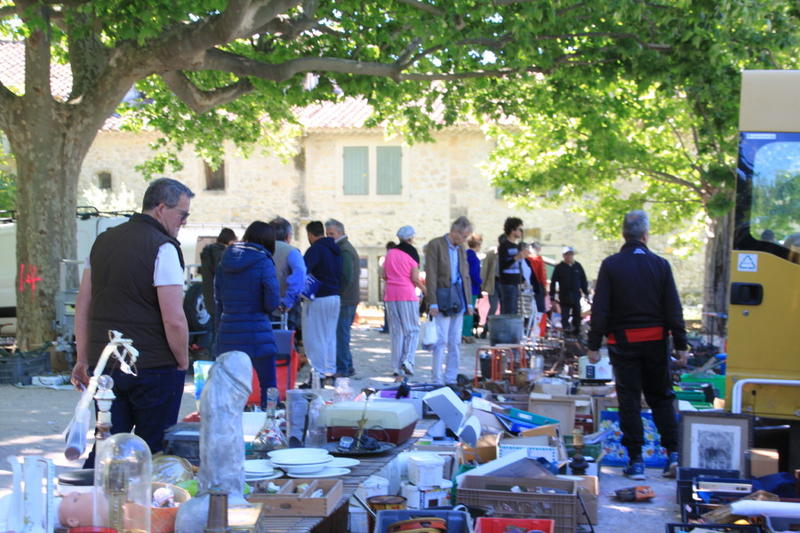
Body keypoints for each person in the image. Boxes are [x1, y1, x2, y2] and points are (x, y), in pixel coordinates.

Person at [71, 177, 194, 466]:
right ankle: (138, 510)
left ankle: (91, 505)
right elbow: (174, 317)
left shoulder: (103, 241)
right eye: (183, 214)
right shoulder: (163, 247)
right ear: (161, 208)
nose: (184, 222)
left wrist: (82, 358)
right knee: (153, 453)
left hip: (107, 364)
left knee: (107, 448)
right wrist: (182, 359)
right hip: (153, 366)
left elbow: (83, 305)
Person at [587, 210, 689, 480]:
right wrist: (681, 343)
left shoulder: (611, 265)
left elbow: (601, 309)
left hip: (624, 343)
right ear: (645, 236)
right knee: (662, 397)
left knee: (629, 399)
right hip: (656, 342)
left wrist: (593, 344)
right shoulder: (660, 265)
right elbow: (673, 308)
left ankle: (635, 461)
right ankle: (674, 455)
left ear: (623, 235)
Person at [214, 221, 281, 408]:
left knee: (228, 387)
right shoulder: (264, 262)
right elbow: (272, 302)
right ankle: (269, 426)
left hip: (228, 333)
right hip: (258, 333)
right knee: (268, 386)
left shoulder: (224, 260)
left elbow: (218, 299)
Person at [424, 216, 474, 384]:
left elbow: (465, 275)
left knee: (455, 341)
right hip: (442, 295)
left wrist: (469, 302)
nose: (465, 240)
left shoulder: (461, 249)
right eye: (464, 236)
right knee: (441, 340)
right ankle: (437, 378)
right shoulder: (435, 245)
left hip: (458, 296)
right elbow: (431, 274)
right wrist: (432, 302)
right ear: (454, 232)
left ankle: (451, 377)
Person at [302, 220, 342, 385]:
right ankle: (330, 372)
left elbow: (303, 270)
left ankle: (317, 375)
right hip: (335, 296)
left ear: (311, 235)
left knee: (315, 337)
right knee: (330, 336)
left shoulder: (315, 250)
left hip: (319, 297)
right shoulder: (336, 249)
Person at [383, 225, 426, 377]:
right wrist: (425, 289)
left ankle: (396, 367)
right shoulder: (413, 253)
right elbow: (414, 278)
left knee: (396, 332)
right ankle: (408, 360)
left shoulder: (390, 253)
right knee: (412, 329)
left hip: (391, 294)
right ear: (411, 238)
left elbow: (384, 275)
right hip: (406, 294)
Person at [325, 219, 360, 378]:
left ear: (340, 233)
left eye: (331, 234)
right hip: (347, 298)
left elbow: (346, 276)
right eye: (327, 234)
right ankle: (348, 366)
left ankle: (343, 369)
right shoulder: (343, 247)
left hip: (345, 300)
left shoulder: (344, 249)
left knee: (341, 335)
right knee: (342, 334)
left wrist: (337, 294)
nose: (329, 237)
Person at [200, 227, 237, 354]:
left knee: (213, 330)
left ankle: (210, 357)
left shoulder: (207, 252)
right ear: (230, 240)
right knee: (220, 334)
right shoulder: (222, 254)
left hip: (208, 295)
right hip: (220, 298)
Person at [269, 216, 306, 331]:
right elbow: (300, 275)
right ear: (288, 235)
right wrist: (288, 302)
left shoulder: (260, 249)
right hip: (284, 307)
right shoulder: (291, 252)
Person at [550, 246, 589, 335]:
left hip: (576, 295)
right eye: (567, 254)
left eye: (571, 254)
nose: (569, 256)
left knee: (577, 314)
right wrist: (552, 295)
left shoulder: (578, 266)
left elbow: (583, 280)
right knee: (565, 315)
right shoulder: (559, 267)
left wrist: (585, 292)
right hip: (564, 295)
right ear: (563, 256)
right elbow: (553, 281)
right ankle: (566, 331)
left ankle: (576, 331)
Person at [497, 217, 527, 315]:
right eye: (519, 229)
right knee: (508, 310)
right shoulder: (504, 246)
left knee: (514, 310)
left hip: (516, 282)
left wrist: (523, 280)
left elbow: (519, 266)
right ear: (513, 230)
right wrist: (516, 257)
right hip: (507, 283)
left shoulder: (516, 246)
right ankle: (507, 329)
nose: (521, 232)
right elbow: (502, 266)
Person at [479, 235, 501, 338]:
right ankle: (485, 329)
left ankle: (501, 331)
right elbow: (485, 270)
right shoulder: (492, 254)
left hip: (505, 283)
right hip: (494, 283)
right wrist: (482, 285)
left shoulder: (510, 254)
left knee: (505, 308)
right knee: (493, 307)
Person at [462, 235, 482, 342]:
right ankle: (466, 333)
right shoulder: (474, 257)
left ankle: (462, 332)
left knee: (464, 310)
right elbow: (474, 274)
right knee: (469, 311)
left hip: (463, 287)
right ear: (478, 244)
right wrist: (480, 282)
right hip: (472, 288)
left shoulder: (465, 255)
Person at [526, 242, 548, 336]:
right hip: (537, 287)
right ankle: (538, 332)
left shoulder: (526, 259)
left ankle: (532, 330)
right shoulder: (537, 259)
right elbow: (541, 275)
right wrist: (544, 286)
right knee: (540, 309)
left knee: (529, 310)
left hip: (529, 286)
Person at [379, 241, 398, 333]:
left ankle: (387, 327)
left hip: (389, 286)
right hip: (399, 288)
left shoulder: (386, 259)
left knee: (388, 308)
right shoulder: (400, 258)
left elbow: (383, 274)